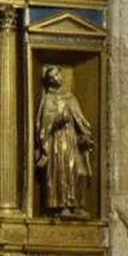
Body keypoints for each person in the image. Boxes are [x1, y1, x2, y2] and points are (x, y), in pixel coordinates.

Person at [34, 65, 94, 217]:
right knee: (60, 172)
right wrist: (57, 121)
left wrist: (85, 135)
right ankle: (61, 206)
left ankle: (76, 204)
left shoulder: (70, 97)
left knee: (77, 170)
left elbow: (80, 119)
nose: (56, 78)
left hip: (71, 139)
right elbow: (43, 125)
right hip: (56, 142)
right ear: (49, 81)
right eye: (52, 77)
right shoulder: (48, 99)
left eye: (58, 75)